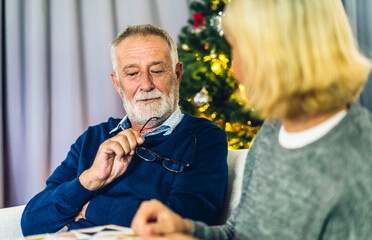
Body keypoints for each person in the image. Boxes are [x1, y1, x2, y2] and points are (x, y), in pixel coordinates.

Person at [131, 0, 372, 239]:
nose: (236, 69)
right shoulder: (275, 129)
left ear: (280, 52)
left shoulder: (357, 172)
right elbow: (239, 233)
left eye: (239, 48)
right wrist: (186, 229)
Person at [21, 24, 228, 236]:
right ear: (117, 84)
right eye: (132, 73)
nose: (146, 84)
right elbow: (31, 222)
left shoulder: (205, 138)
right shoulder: (93, 139)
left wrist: (90, 207)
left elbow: (181, 222)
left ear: (177, 74)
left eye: (157, 70)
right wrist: (90, 180)